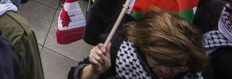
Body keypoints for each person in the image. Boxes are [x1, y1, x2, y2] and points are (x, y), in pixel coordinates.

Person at [69, 10, 207, 79]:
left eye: (176, 65)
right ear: (144, 45)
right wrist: (95, 70)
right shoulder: (119, 50)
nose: (165, 70)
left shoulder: (196, 72)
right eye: (158, 60)